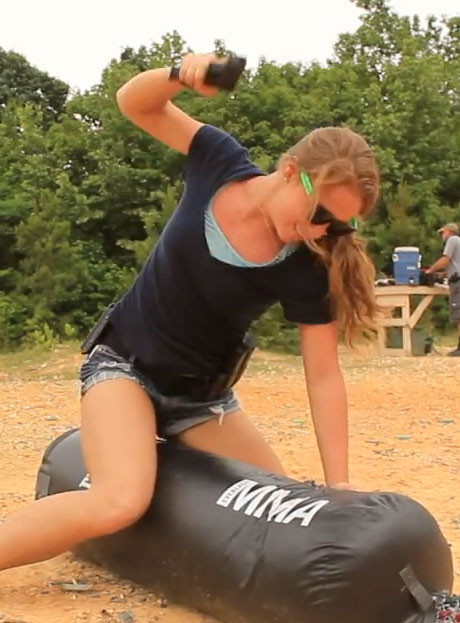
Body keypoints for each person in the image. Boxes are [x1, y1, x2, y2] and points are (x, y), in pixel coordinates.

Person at [0, 53, 380, 573]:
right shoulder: (219, 160)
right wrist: (181, 75)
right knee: (119, 500)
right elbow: (133, 103)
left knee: (284, 510)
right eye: (321, 216)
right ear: (293, 173)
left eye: (337, 229)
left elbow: (323, 376)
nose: (320, 234)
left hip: (202, 401)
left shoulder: (306, 267)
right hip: (124, 368)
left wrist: (337, 482)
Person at [426, 222, 460, 356]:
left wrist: (430, 271)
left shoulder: (452, 240)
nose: (442, 236)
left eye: (443, 233)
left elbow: (445, 260)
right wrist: (444, 274)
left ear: (449, 232)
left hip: (458, 283)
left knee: (459, 315)